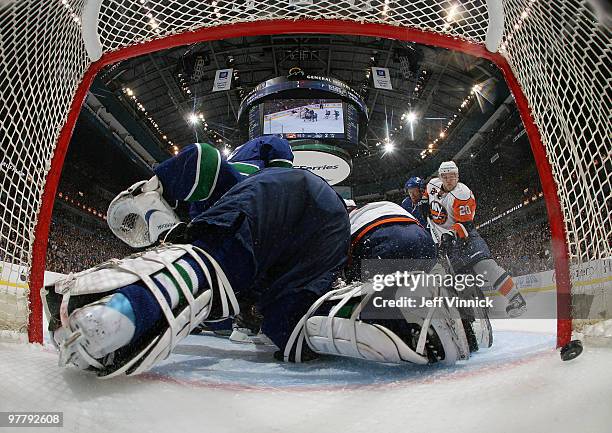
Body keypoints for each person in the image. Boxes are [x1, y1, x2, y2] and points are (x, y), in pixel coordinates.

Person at [45, 170, 467, 377]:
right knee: (289, 330)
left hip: (298, 210)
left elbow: (205, 160)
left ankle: (121, 312)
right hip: (323, 238)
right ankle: (404, 318)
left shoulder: (251, 172)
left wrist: (161, 180)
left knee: (210, 266)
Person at [424, 161, 527, 317]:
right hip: (446, 243)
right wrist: (424, 204)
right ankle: (473, 315)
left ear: (457, 176)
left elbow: (464, 224)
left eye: (452, 176)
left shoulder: (462, 194)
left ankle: (516, 299)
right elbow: (427, 196)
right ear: (440, 177)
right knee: (459, 282)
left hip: (465, 237)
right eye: (445, 176)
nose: (449, 179)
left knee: (485, 266)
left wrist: (449, 235)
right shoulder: (432, 185)